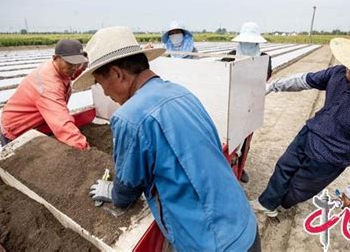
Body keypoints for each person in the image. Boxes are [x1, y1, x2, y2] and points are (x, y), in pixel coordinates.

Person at [76, 26, 260, 251]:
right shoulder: (181, 92)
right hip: (243, 224)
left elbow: (126, 191)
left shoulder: (129, 117)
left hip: (213, 244)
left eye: (100, 83)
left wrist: (113, 192)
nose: (104, 92)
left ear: (116, 74)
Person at [252, 32, 350, 217]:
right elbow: (305, 80)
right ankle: (266, 203)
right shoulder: (339, 73)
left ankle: (282, 202)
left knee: (299, 189)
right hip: (309, 134)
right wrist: (273, 86)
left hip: (329, 158)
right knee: (284, 167)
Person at [0, 39, 89, 149]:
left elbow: (73, 72)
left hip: (38, 125)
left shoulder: (62, 69)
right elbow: (62, 124)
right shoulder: (48, 85)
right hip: (17, 131)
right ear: (55, 58)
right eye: (70, 63)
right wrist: (85, 149)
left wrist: (83, 66)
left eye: (77, 63)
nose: (74, 67)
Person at [224, 22, 273, 183]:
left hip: (251, 104)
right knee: (229, 138)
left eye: (252, 42)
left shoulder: (265, 58)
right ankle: (227, 166)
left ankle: (241, 166)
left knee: (245, 139)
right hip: (231, 104)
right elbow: (220, 74)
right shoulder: (230, 55)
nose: (248, 44)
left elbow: (265, 78)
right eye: (246, 41)